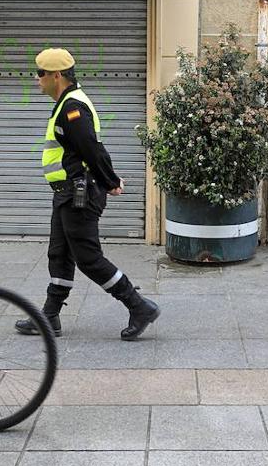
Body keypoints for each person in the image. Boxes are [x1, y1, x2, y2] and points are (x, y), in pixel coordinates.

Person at [13, 48, 160, 341]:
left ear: (57, 76)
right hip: (66, 193)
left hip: (79, 192)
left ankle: (139, 306)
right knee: (60, 253)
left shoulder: (72, 108)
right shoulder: (67, 104)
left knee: (88, 258)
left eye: (41, 73)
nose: (36, 78)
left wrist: (109, 181)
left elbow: (92, 149)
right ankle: (49, 316)